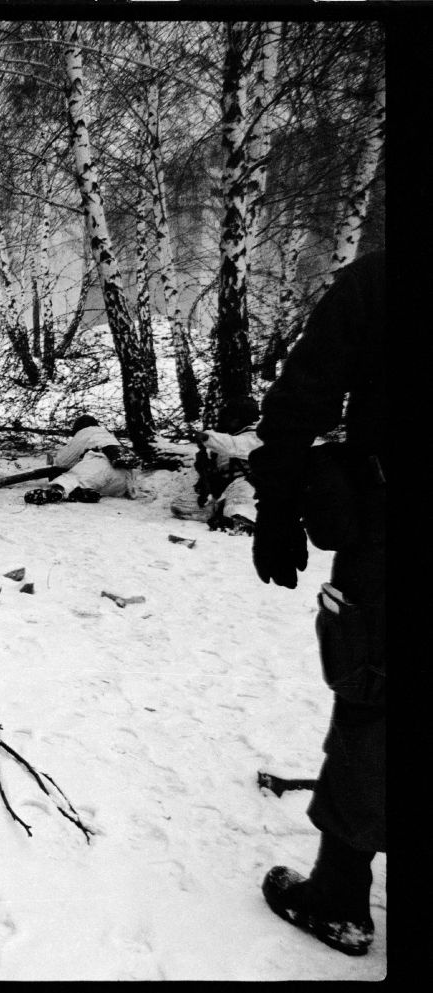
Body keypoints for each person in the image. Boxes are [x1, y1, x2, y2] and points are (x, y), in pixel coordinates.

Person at [250, 250, 384, 956]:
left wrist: (276, 502)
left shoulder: (381, 278)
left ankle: (338, 894)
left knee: (375, 691)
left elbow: (305, 392)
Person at [171, 396, 262, 534]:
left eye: (231, 416)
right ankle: (222, 513)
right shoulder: (228, 436)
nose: (226, 420)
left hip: (251, 487)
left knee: (239, 499)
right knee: (180, 506)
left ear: (242, 417)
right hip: (223, 488)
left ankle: (244, 521)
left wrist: (207, 438)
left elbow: (233, 445)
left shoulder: (257, 437)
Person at [24, 415, 143, 504]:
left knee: (70, 478)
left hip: (100, 467)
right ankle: (81, 493)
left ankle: (56, 493)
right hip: (124, 481)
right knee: (90, 481)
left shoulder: (84, 433)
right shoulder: (107, 435)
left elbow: (63, 461)